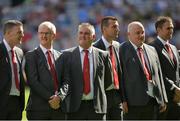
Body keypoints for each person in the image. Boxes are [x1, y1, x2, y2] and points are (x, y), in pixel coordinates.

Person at [62, 23, 113, 120]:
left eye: (86, 33)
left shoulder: (103, 55)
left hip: (97, 107)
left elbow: (108, 81)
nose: (83, 36)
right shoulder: (66, 55)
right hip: (74, 108)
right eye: (80, 33)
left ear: (93, 37)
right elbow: (64, 80)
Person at [119, 21, 167, 120]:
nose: (141, 35)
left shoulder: (152, 50)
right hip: (132, 104)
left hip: (153, 101)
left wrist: (163, 98)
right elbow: (120, 77)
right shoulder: (121, 50)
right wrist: (122, 100)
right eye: (137, 33)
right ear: (129, 35)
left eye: (143, 32)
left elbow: (159, 75)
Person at [24, 21, 66, 120]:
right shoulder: (31, 55)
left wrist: (59, 97)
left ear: (54, 35)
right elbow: (33, 82)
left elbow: (66, 81)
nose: (43, 36)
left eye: (46, 33)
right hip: (38, 110)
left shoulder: (61, 56)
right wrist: (52, 98)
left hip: (59, 109)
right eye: (41, 33)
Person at [149, 16, 180, 119]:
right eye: (168, 28)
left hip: (177, 98)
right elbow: (156, 74)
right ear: (158, 30)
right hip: (163, 100)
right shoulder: (151, 47)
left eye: (172, 28)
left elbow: (177, 71)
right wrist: (174, 89)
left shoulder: (174, 48)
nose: (171, 31)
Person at [93, 16, 122, 120]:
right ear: (104, 29)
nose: (117, 29)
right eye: (114, 26)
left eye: (117, 26)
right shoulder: (94, 48)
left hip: (117, 96)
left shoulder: (118, 46)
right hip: (102, 96)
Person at [0, 20, 25, 119]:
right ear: (8, 33)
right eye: (19, 32)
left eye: (22, 32)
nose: (23, 35)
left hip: (16, 103)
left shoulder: (19, 52)